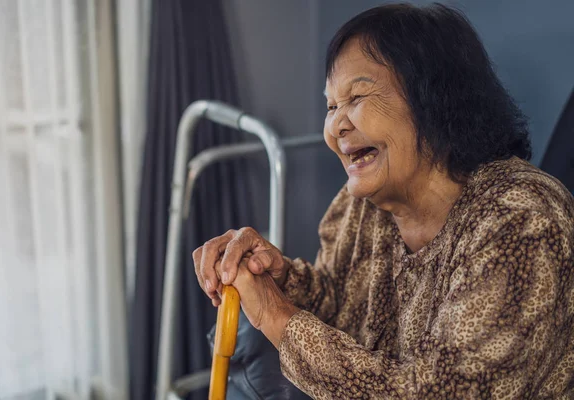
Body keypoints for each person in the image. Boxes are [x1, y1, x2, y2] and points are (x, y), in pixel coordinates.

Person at [193, 4, 574, 399]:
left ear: (434, 100)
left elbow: (445, 393)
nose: (336, 125)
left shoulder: (523, 221)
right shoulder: (363, 203)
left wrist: (275, 314)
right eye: (330, 106)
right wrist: (276, 280)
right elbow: (338, 302)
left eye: (356, 96)